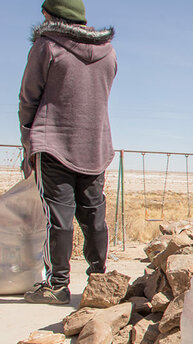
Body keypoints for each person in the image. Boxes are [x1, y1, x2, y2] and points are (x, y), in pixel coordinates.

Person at [19, 0, 116, 305]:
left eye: (44, 12)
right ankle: (99, 280)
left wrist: (28, 139)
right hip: (95, 146)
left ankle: (57, 285)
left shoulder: (47, 46)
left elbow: (29, 96)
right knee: (94, 215)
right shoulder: (108, 53)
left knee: (58, 217)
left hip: (55, 142)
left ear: (54, 15)